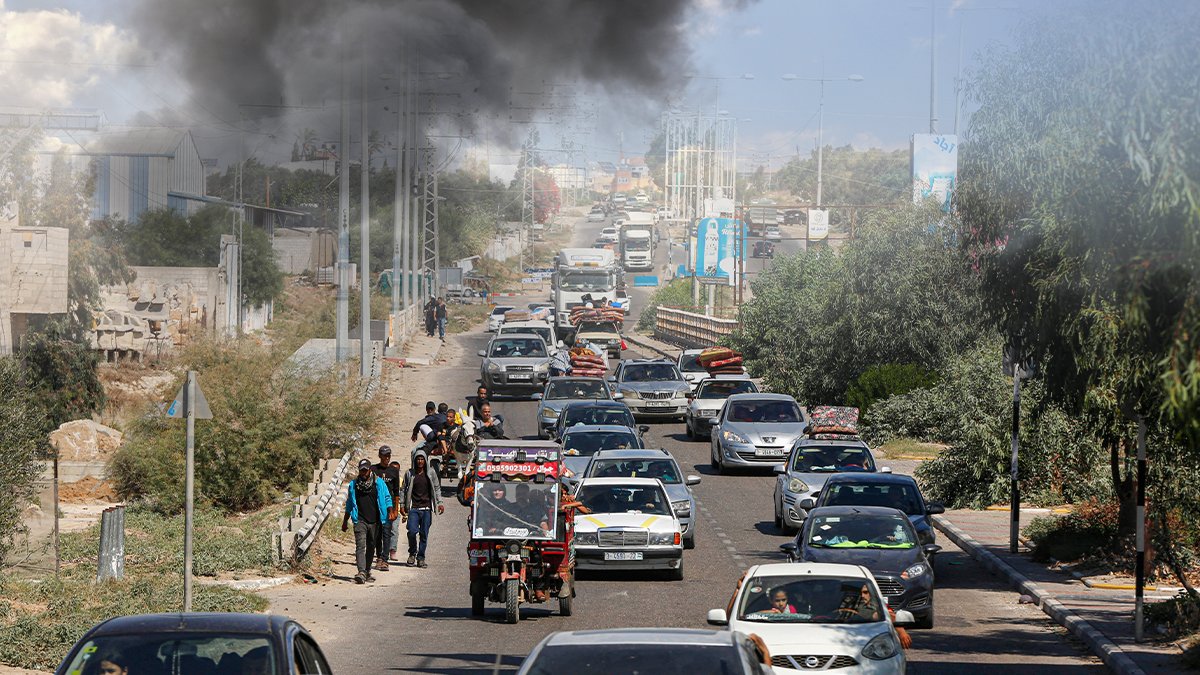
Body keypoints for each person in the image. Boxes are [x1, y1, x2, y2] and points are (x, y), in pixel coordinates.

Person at [342, 458, 393, 584]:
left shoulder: (379, 483)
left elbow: (387, 498)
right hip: (360, 520)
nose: (363, 473)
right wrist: (345, 520)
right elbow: (349, 503)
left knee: (371, 547)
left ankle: (367, 570)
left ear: (370, 470)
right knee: (360, 546)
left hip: (375, 521)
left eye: (365, 470)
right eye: (361, 470)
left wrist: (390, 511)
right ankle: (361, 572)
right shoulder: (354, 485)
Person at [400, 449, 444, 567]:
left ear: (425, 460)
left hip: (426, 509)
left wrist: (440, 502)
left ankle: (421, 558)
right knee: (412, 532)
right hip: (414, 509)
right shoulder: (409, 474)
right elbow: (403, 490)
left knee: (424, 534)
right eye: (418, 459)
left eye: (422, 459)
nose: (420, 461)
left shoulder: (431, 473)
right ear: (415, 460)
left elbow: (437, 488)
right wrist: (402, 505)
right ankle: (412, 553)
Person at [372, 445, 401, 568]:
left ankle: (385, 559)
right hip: (375, 506)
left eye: (388, 455)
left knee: (387, 533)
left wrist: (395, 510)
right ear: (380, 456)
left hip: (388, 507)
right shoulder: (373, 469)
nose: (387, 458)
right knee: (377, 534)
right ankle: (379, 556)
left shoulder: (394, 471)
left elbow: (396, 492)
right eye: (384, 455)